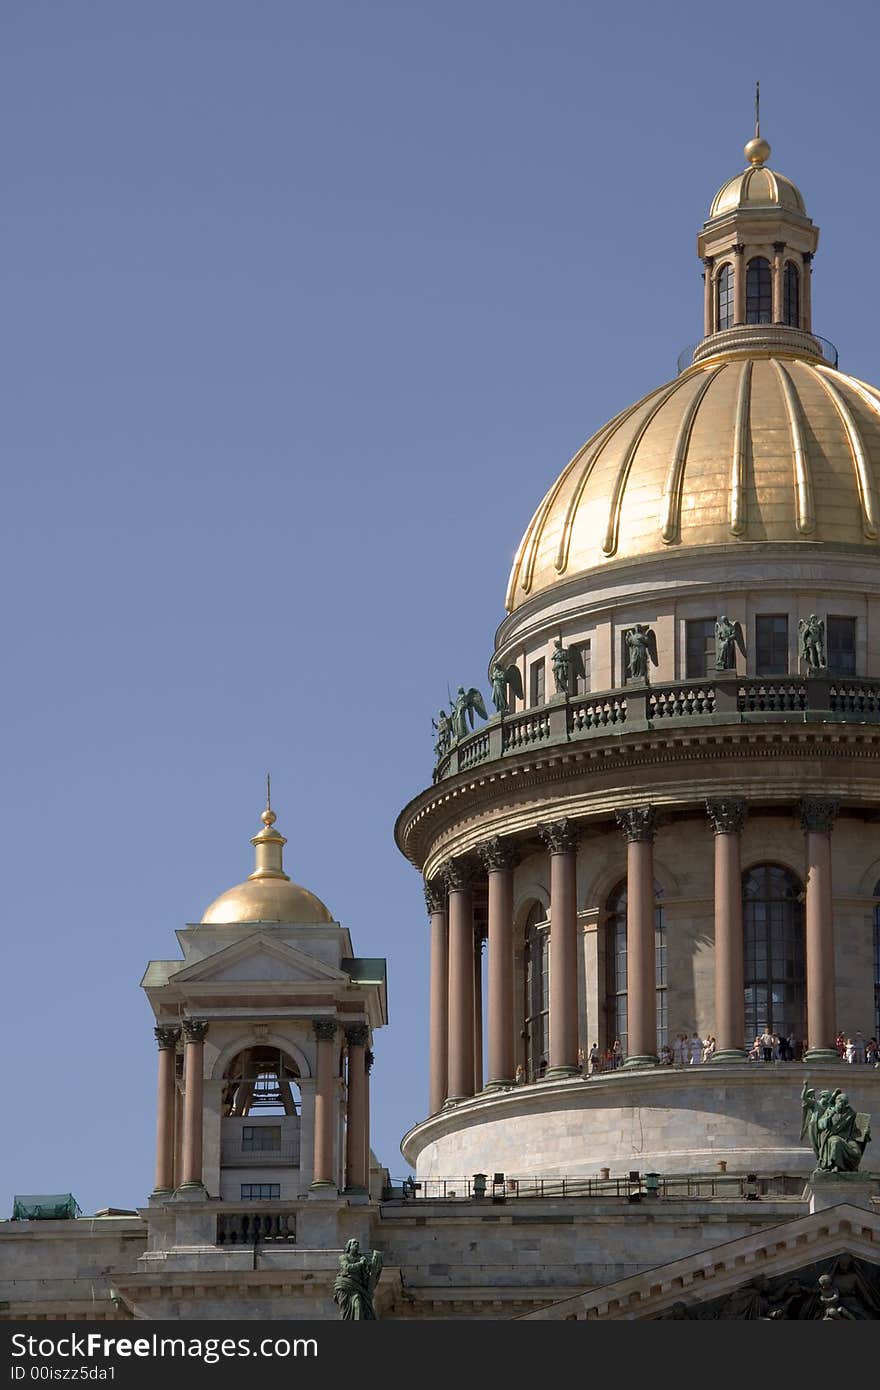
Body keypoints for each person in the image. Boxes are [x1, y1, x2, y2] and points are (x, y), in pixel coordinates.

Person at [333, 1238, 383, 1320]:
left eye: (357, 1243)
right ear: (349, 1247)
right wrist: (360, 1264)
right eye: (354, 1243)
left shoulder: (362, 1258)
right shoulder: (344, 1257)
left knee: (358, 1303)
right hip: (344, 1285)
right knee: (345, 1313)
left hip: (357, 1288)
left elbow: (370, 1269)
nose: (356, 1244)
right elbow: (347, 1267)